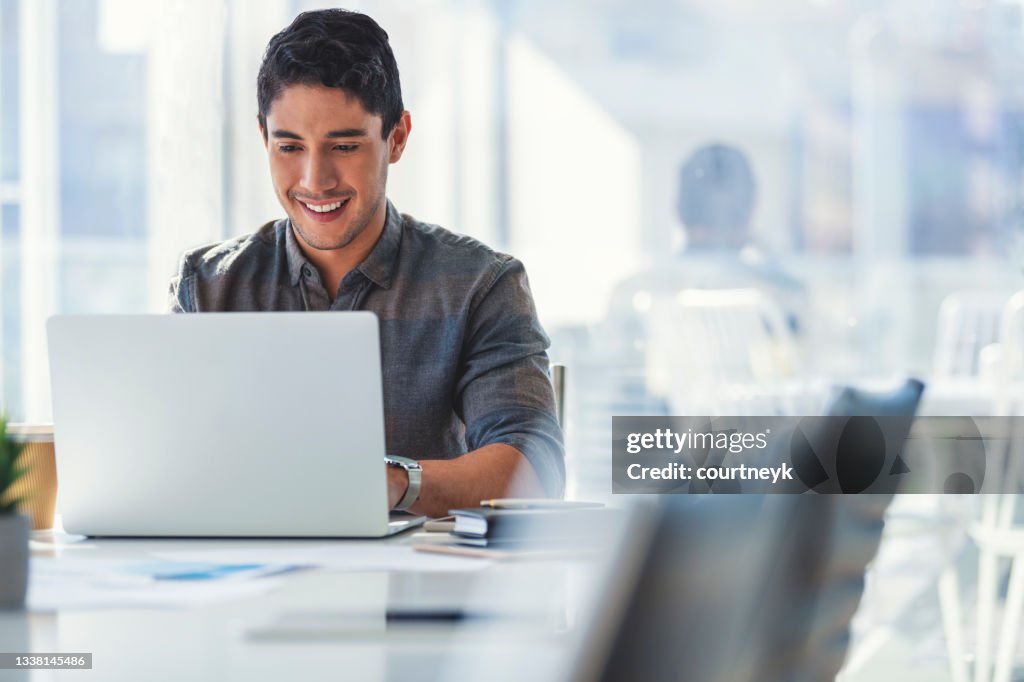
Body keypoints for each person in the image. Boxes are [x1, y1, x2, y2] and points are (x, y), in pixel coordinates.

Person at [166, 9, 563, 518]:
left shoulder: (479, 285)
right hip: (254, 579)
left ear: (396, 138)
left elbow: (536, 468)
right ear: (264, 138)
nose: (315, 179)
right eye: (289, 146)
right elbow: (173, 463)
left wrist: (391, 483)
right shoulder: (208, 286)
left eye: (345, 145)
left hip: (421, 585)